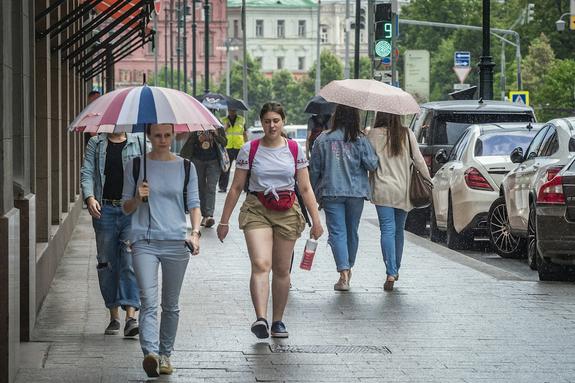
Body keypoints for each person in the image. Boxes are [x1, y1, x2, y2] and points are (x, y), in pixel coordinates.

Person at [216, 102, 324, 339]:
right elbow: (235, 187)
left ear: (282, 121)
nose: (271, 125)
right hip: (257, 208)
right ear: (261, 123)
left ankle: (278, 321)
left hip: (287, 209)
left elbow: (305, 188)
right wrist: (223, 221)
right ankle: (261, 319)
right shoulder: (249, 149)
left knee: (282, 269)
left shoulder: (295, 149)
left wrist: (316, 220)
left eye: (276, 120)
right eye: (267, 121)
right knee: (261, 264)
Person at [122, 123, 201, 377]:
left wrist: (196, 233)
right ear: (149, 136)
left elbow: (194, 204)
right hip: (144, 241)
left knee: (171, 304)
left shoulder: (186, 167)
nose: (163, 140)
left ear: (174, 135)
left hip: (176, 242)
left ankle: (166, 354)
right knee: (148, 300)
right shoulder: (135, 165)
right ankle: (151, 353)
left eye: (167, 135)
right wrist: (137, 197)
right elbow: (125, 207)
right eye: (158, 135)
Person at [309, 105, 378, 291]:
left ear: (336, 116)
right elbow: (372, 165)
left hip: (331, 192)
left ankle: (343, 272)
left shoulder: (323, 139)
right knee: (351, 231)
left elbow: (314, 169)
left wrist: (314, 193)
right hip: (355, 192)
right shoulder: (361, 139)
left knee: (337, 232)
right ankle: (348, 267)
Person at [80, 132, 143, 336]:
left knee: (129, 261)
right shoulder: (96, 143)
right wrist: (89, 197)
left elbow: (149, 172)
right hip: (104, 210)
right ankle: (114, 315)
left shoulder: (139, 142)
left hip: (130, 210)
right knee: (107, 263)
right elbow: (87, 171)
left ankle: (131, 318)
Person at [368, 112, 430, 291]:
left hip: (382, 189)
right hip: (403, 189)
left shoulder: (373, 134)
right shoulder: (407, 133)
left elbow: (368, 161)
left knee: (387, 229)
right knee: (398, 231)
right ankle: (395, 270)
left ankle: (390, 270)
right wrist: (429, 181)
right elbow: (418, 160)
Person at [180, 126, 227, 228]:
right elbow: (189, 144)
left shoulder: (218, 126)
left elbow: (224, 142)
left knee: (211, 187)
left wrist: (216, 135)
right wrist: (198, 139)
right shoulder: (195, 126)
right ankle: (203, 214)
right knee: (200, 187)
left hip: (214, 162)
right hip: (197, 160)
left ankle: (209, 216)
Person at [218, 108, 247, 192]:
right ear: (228, 110)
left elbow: (244, 133)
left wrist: (247, 144)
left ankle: (245, 187)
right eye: (230, 110)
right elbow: (220, 133)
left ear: (236, 111)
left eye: (234, 110)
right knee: (225, 168)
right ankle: (222, 187)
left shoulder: (241, 120)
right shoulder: (223, 120)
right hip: (228, 147)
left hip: (240, 147)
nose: (232, 112)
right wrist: (225, 127)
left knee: (243, 167)